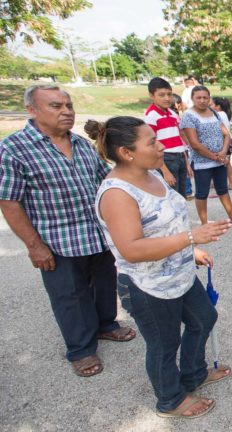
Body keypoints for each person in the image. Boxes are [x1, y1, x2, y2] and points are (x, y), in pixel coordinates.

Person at [90, 116, 232, 419]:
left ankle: (194, 374)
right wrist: (191, 236)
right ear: (126, 153)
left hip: (180, 273)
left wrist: (191, 249)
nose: (161, 145)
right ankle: (170, 400)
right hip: (148, 286)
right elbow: (131, 249)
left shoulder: (151, 173)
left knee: (204, 318)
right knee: (164, 344)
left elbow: (164, 226)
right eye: (151, 142)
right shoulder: (117, 193)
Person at [0, 85, 136, 378]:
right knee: (69, 295)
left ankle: (106, 325)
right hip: (57, 241)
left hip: (97, 234)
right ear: (32, 111)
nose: (67, 111)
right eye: (56, 106)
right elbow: (9, 201)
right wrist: (34, 245)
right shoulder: (15, 148)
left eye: (69, 105)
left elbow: (106, 180)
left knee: (104, 284)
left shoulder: (81, 144)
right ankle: (81, 349)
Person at [180, 86, 232, 227]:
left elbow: (226, 134)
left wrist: (223, 152)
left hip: (219, 160)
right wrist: (214, 156)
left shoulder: (213, 113)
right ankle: (204, 223)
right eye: (199, 97)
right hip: (202, 162)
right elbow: (194, 143)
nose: (202, 100)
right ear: (192, 98)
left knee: (223, 189)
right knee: (202, 193)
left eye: (205, 97)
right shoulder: (188, 116)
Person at [144, 77, 192, 198]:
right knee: (172, 196)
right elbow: (152, 145)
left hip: (180, 156)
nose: (167, 98)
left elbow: (179, 139)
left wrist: (186, 162)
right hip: (166, 159)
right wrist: (165, 171)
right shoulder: (151, 116)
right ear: (151, 95)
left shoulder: (172, 113)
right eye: (161, 95)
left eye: (169, 94)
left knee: (182, 196)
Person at [210, 97, 232, 190]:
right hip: (227, 141)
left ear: (218, 106)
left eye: (212, 104)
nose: (210, 106)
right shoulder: (224, 114)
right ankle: (230, 183)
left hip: (224, 141)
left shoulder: (219, 114)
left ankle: (231, 183)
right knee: (226, 162)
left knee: (226, 162)